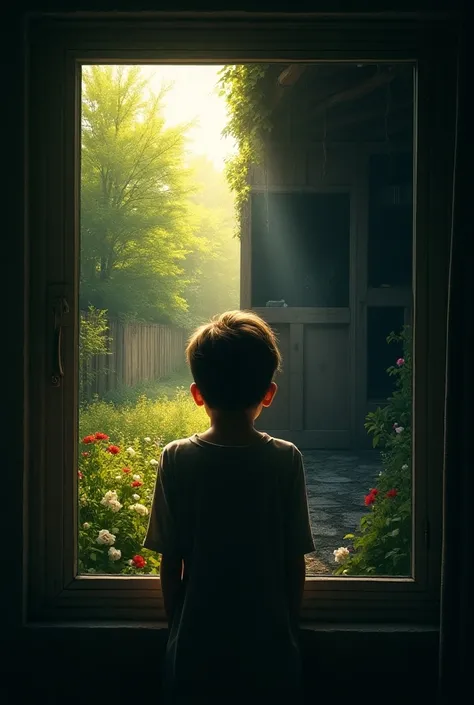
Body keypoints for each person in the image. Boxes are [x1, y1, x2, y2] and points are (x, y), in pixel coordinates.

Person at [144, 310, 315, 705]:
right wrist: (289, 629)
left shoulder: (177, 458)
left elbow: (170, 564)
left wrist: (176, 632)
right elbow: (294, 562)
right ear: (268, 393)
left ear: (197, 394)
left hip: (196, 645)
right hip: (269, 644)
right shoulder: (285, 460)